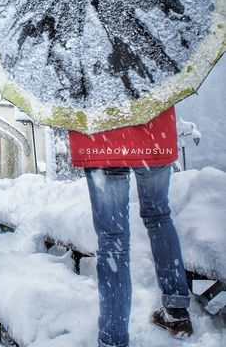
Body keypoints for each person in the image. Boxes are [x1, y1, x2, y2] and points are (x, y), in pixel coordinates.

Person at [69, 107, 193, 346]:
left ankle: (113, 338)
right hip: (153, 131)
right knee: (159, 216)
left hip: (101, 136)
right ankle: (176, 311)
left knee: (112, 240)